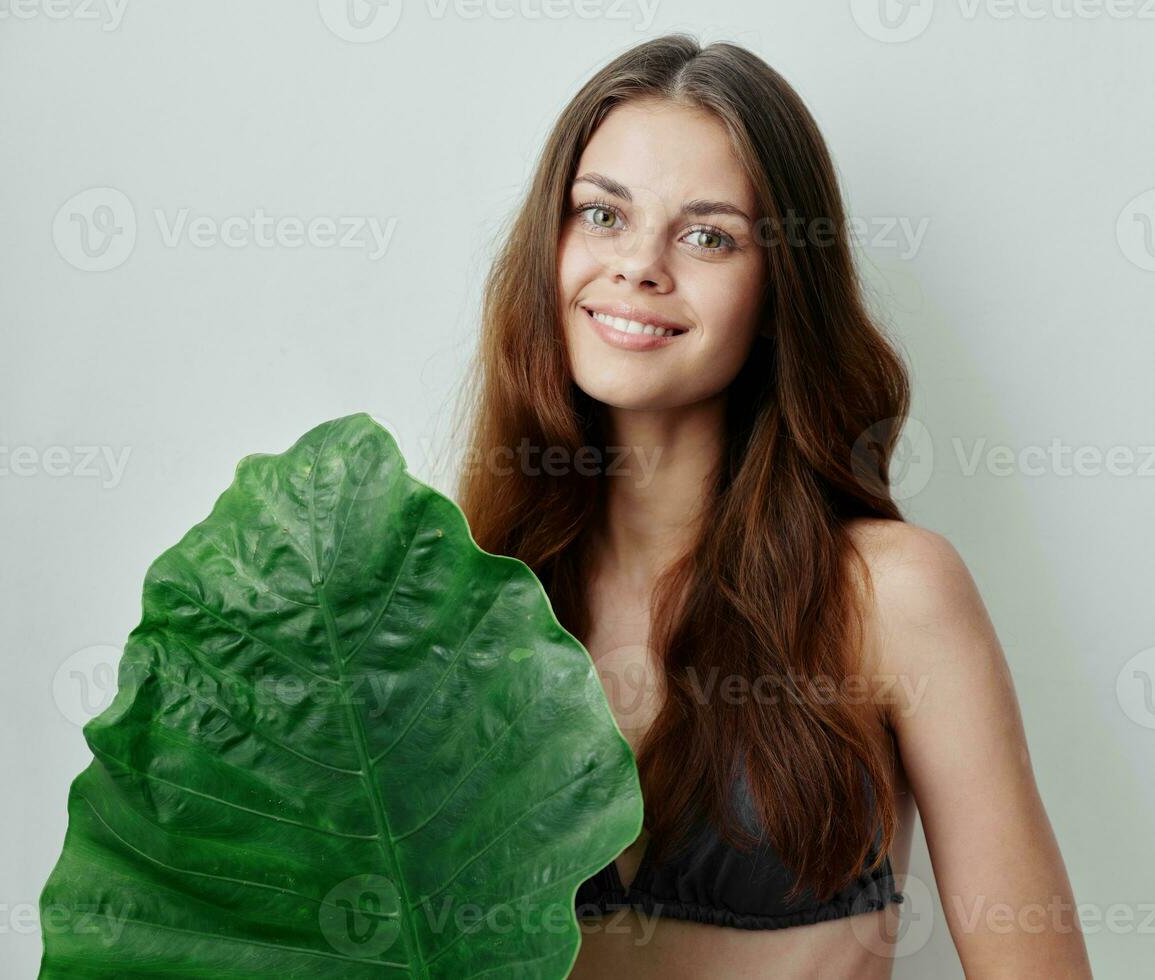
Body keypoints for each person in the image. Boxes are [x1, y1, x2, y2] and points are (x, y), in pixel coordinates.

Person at [454, 32, 1092, 979]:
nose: (638, 266)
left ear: (780, 287)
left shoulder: (889, 596)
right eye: (600, 215)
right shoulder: (455, 588)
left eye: (708, 235)